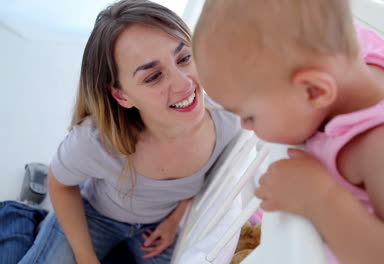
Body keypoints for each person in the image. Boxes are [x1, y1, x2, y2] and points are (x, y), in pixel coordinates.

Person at [192, 0, 384, 263]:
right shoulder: (337, 59)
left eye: (249, 116)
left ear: (314, 91)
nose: (245, 127)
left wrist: (322, 200)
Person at [19, 0, 239, 263]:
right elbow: (59, 182)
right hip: (95, 217)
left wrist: (174, 221)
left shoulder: (227, 124)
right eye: (153, 76)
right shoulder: (95, 141)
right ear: (122, 96)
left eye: (184, 58)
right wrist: (85, 256)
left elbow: (203, 179)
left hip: (153, 227)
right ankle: (23, 211)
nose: (184, 84)